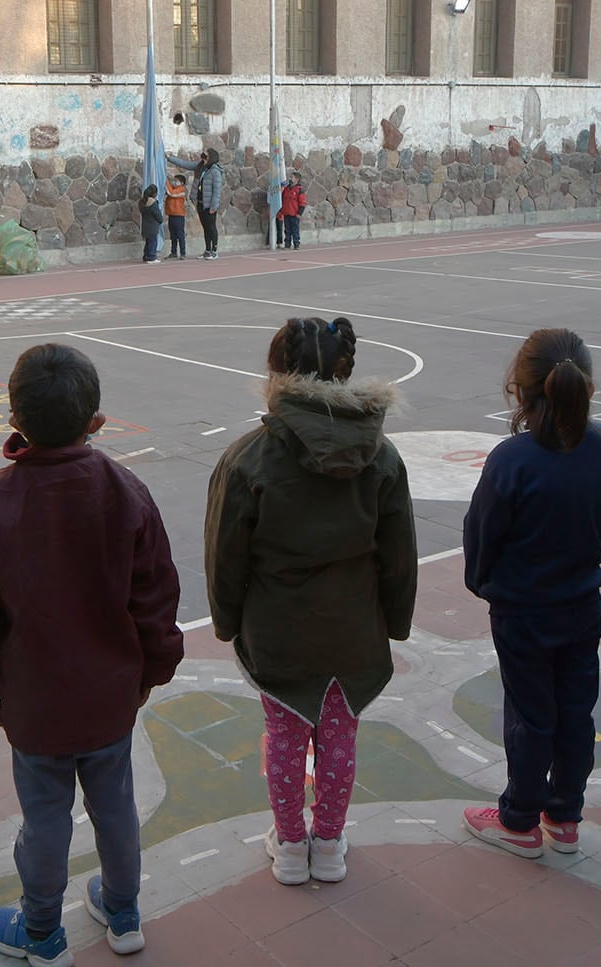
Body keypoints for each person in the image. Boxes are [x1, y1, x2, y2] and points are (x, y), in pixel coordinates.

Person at [0, 344, 183, 966]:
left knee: (45, 815)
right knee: (115, 805)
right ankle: (124, 910)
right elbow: (156, 597)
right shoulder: (126, 491)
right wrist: (150, 672)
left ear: (13, 418)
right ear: (96, 421)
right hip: (110, 695)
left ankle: (43, 931)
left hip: (34, 701)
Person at [205, 317, 418, 885]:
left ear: (276, 373)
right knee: (340, 735)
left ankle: (291, 845)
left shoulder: (249, 458)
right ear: (346, 372)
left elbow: (225, 553)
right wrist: (394, 622)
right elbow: (399, 553)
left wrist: (227, 621)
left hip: (278, 627)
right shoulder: (383, 456)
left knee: (284, 733)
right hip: (353, 626)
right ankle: (329, 842)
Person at [459, 329, 601, 859]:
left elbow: (482, 533)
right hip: (581, 600)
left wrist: (484, 583)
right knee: (577, 709)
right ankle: (564, 815)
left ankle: (519, 819)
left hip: (524, 608)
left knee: (531, 714)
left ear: (520, 389)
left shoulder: (514, 459)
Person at [169, 148, 223, 259]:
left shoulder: (215, 171)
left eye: (206, 155)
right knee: (205, 227)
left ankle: (214, 251)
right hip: (200, 202)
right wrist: (170, 158)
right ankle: (207, 250)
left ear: (211, 157)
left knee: (211, 227)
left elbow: (217, 191)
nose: (203, 156)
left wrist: (214, 206)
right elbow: (185, 164)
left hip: (209, 204)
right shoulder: (200, 167)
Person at [138, 184, 163, 265]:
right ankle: (151, 257)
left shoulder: (142, 202)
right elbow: (157, 214)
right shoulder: (153, 202)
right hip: (153, 225)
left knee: (148, 242)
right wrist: (160, 220)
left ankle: (146, 256)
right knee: (153, 242)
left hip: (145, 225)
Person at [164, 174, 188, 259]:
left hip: (179, 215)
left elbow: (171, 193)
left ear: (182, 183)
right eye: (173, 180)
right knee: (173, 235)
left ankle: (183, 253)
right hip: (171, 215)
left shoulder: (181, 190)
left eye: (176, 181)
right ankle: (173, 252)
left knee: (180, 235)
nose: (174, 182)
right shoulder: (173, 188)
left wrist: (165, 181)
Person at [279, 172, 305, 250]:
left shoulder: (299, 190)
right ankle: (287, 244)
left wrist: (299, 213)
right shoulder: (286, 188)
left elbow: (302, 202)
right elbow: (282, 199)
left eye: (292, 177)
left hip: (294, 213)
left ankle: (296, 243)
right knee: (287, 229)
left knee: (295, 229)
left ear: (297, 179)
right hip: (286, 212)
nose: (290, 178)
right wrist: (281, 210)